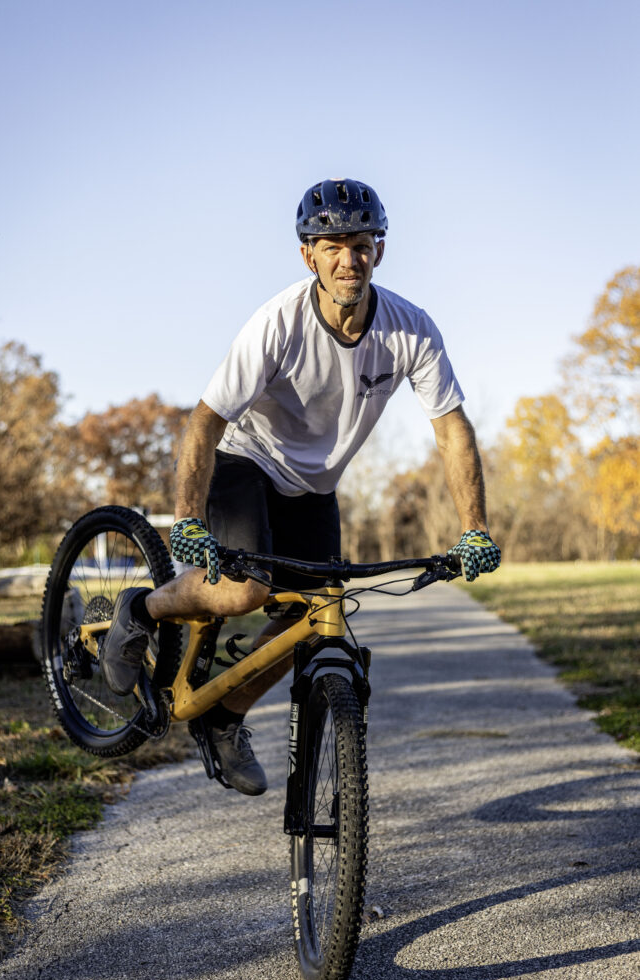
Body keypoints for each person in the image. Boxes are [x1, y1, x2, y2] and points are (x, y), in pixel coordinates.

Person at [100, 178, 501, 796]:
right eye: (332, 246)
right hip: (246, 461)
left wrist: (474, 528)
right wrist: (188, 517)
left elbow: (451, 430)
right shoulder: (277, 323)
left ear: (379, 250)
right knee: (246, 590)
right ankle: (140, 609)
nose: (349, 260)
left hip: (314, 486)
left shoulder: (411, 329)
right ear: (308, 254)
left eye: (361, 245)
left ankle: (224, 717)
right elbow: (205, 423)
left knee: (316, 613)